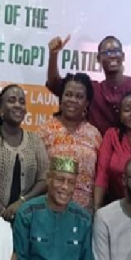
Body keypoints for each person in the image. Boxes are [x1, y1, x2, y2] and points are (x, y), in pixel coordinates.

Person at [0, 84, 48, 221]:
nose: (18, 105)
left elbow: (44, 180)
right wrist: (3, 212)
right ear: (1, 110)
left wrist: (22, 202)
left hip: (27, 219)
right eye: (12, 100)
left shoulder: (35, 140)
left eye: (22, 102)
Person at [47, 35, 131, 135]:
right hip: (97, 147)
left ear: (123, 56)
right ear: (98, 58)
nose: (112, 55)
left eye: (116, 51)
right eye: (106, 52)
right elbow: (55, 84)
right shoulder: (93, 90)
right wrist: (53, 55)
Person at [37, 73, 102, 211]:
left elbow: (100, 178)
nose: (72, 100)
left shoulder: (95, 135)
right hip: (49, 211)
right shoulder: (44, 131)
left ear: (87, 103)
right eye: (68, 95)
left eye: (79, 97)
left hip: (84, 216)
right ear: (61, 99)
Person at [93, 93, 131, 208]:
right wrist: (96, 209)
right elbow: (102, 175)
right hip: (115, 205)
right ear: (121, 116)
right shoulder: (112, 136)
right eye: (127, 109)